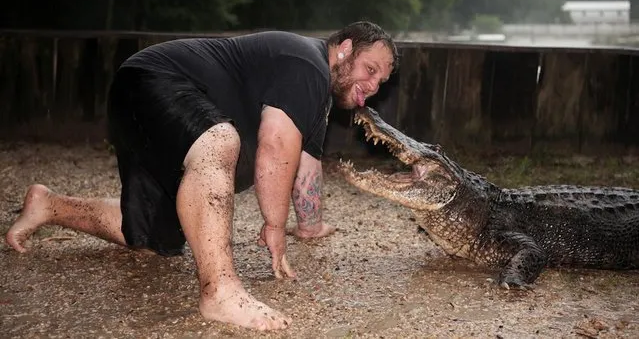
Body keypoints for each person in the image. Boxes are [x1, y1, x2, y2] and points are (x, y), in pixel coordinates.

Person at [5, 21, 399, 330]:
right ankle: (221, 292)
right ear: (344, 48)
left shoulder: (317, 101)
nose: (373, 85)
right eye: (370, 69)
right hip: (152, 81)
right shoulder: (308, 64)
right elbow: (276, 148)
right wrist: (274, 225)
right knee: (220, 141)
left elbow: (305, 164)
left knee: (159, 233)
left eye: (381, 81)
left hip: (142, 109)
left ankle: (49, 205)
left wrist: (310, 226)